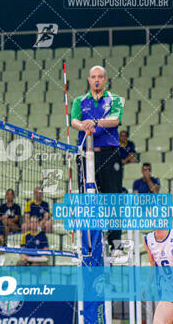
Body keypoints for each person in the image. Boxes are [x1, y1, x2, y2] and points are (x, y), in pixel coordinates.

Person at [71, 65, 124, 252]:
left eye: (100, 77)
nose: (96, 80)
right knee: (87, 200)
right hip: (86, 154)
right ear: (88, 80)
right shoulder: (79, 100)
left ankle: (116, 244)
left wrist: (94, 122)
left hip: (109, 154)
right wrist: (84, 126)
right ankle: (89, 244)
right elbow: (74, 121)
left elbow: (115, 120)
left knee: (113, 199)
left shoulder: (115, 99)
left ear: (105, 79)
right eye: (93, 77)